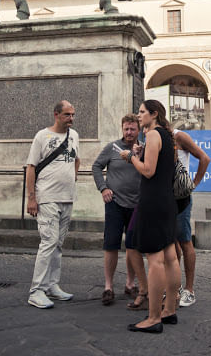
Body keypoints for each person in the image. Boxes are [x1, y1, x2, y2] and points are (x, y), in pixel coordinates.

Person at [121, 100, 181, 334]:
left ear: (154, 114)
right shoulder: (167, 135)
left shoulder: (154, 135)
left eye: (142, 112)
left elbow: (148, 170)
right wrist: (141, 152)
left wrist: (130, 157)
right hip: (167, 201)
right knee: (171, 258)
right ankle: (169, 310)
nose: (139, 115)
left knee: (155, 260)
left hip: (153, 202)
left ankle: (153, 317)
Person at [26, 100, 80, 309]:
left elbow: (76, 160)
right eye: (67, 115)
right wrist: (32, 198)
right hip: (47, 196)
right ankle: (36, 290)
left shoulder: (74, 136)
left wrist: (70, 180)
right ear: (56, 115)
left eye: (73, 115)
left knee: (58, 244)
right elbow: (31, 168)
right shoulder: (42, 136)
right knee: (48, 242)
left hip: (67, 197)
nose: (71, 119)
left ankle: (51, 285)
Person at [92, 114, 148, 308]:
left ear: (138, 130)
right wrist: (103, 188)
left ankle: (130, 284)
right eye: (126, 129)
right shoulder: (112, 148)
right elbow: (96, 166)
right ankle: (108, 287)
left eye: (133, 129)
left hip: (137, 205)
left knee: (133, 247)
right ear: (122, 129)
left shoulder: (144, 149)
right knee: (111, 245)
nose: (129, 132)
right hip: (114, 203)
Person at [174, 129, 210, 307]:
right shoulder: (154, 137)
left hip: (181, 197)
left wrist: (193, 184)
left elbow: (205, 158)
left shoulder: (178, 136)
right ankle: (175, 287)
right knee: (171, 244)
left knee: (184, 241)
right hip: (165, 198)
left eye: (143, 113)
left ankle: (189, 290)